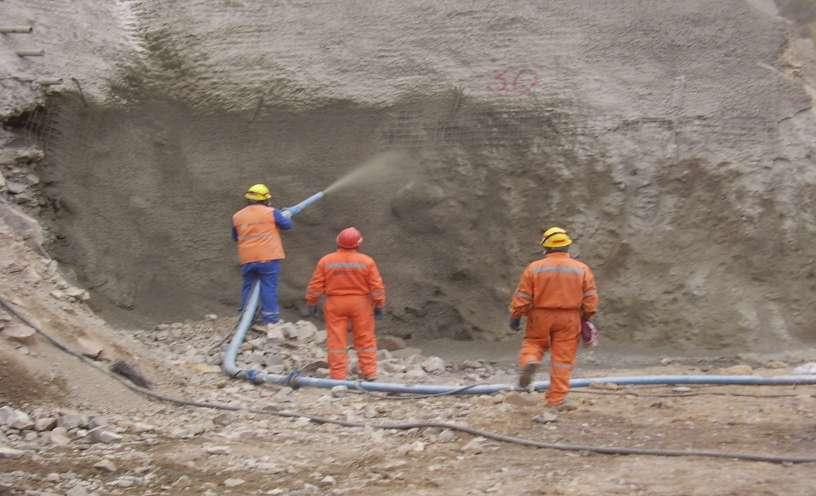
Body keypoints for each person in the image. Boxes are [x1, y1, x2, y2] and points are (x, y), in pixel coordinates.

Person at [509, 226, 598, 408]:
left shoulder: (534, 268)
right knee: (562, 360)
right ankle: (556, 400)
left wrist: (516, 314)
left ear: (546, 247)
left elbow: (523, 296)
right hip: (569, 317)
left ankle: (530, 361)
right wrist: (586, 317)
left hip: (540, 315)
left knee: (534, 343)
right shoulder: (582, 269)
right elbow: (590, 298)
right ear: (567, 247)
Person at [305, 227, 385, 380]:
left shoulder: (326, 260)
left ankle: (338, 375)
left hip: (335, 303)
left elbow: (315, 285)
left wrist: (311, 302)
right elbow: (377, 286)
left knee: (336, 340)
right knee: (365, 338)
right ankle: (370, 373)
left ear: (338, 243)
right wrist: (379, 304)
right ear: (358, 244)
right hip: (360, 304)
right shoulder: (367, 261)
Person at [232, 183, 293, 332]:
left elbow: (235, 237)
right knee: (268, 287)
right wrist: (287, 214)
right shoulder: (271, 212)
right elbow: (287, 225)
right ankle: (271, 319)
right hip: (268, 257)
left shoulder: (237, 216)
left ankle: (247, 316)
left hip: (247, 258)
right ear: (265, 199)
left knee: (248, 286)